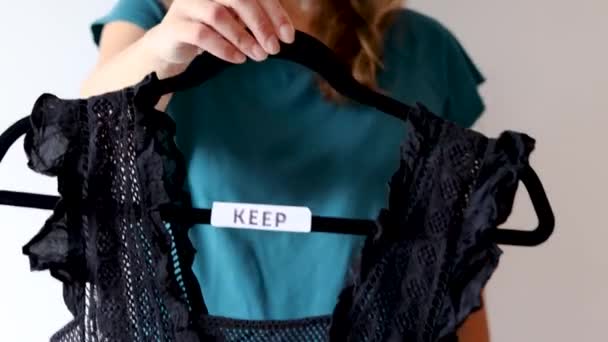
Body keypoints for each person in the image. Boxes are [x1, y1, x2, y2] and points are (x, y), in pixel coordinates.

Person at [82, 0, 490, 340]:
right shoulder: (165, 15)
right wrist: (164, 48)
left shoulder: (423, 48)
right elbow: (85, 137)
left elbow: (456, 250)